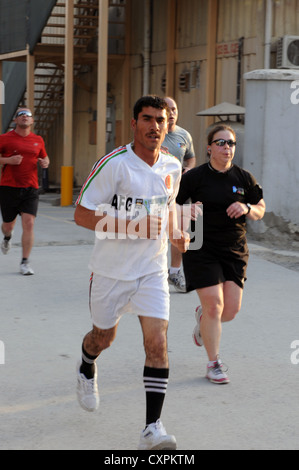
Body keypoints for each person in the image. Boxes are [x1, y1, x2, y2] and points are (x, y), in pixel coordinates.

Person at [74, 95, 190, 450]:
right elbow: (81, 214)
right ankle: (86, 364)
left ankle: (151, 428)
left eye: (161, 120)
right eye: (147, 119)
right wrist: (131, 226)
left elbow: (168, 210)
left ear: (168, 126)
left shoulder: (172, 166)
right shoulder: (114, 164)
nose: (155, 126)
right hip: (110, 272)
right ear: (134, 124)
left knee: (157, 343)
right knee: (102, 338)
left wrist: (176, 234)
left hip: (151, 271)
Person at [176, 124, 266, 384]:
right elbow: (174, 203)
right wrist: (184, 213)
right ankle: (214, 363)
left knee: (230, 311)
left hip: (234, 249)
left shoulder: (244, 178)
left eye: (231, 143)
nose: (227, 148)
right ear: (209, 147)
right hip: (200, 244)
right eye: (221, 143)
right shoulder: (194, 177)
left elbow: (261, 208)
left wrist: (247, 207)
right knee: (215, 305)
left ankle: (202, 321)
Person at [0, 108, 50, 275]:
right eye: (21, 115)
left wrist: (45, 163)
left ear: (32, 121)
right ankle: (7, 237)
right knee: (8, 225)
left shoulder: (38, 140)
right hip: (8, 188)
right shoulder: (5, 138)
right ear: (16, 120)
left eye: (27, 115)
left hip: (30, 188)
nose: (24, 117)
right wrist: (8, 160)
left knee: (29, 223)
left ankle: (25, 262)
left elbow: (44, 157)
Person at [163, 97, 196, 293]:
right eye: (168, 109)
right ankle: (146, 276)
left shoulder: (184, 135)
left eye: (174, 108)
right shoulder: (153, 134)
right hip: (157, 192)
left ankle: (174, 272)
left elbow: (191, 158)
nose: (172, 112)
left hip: (179, 191)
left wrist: (188, 169)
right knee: (152, 232)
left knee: (180, 232)